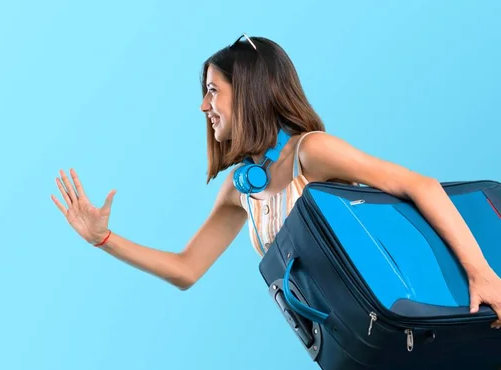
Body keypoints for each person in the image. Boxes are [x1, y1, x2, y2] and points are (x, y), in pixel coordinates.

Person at [51, 34, 501, 328]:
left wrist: (484, 277)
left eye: (212, 90)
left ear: (247, 90)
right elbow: (186, 270)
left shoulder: (311, 152)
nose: (203, 106)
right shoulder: (240, 189)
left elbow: (421, 185)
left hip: (413, 309)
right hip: (357, 337)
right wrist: (102, 238)